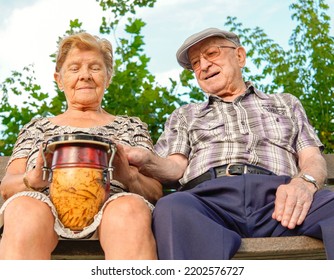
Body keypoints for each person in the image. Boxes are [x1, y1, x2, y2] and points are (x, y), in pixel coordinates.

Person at [125, 27, 334, 259]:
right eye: (195, 63)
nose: (203, 66)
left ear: (240, 56)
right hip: (209, 202)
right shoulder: (185, 115)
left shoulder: (285, 103)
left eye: (211, 54)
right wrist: (146, 160)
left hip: (279, 197)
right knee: (173, 208)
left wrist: (304, 184)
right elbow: (175, 167)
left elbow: (312, 158)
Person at [0, 32, 162, 260]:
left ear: (108, 76)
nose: (85, 76)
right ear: (59, 79)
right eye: (74, 68)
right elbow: (7, 187)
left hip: (114, 209)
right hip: (44, 209)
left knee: (129, 210)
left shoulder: (131, 127)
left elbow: (155, 192)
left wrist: (129, 177)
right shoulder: (36, 128)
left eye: (95, 68)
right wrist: (32, 180)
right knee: (24, 210)